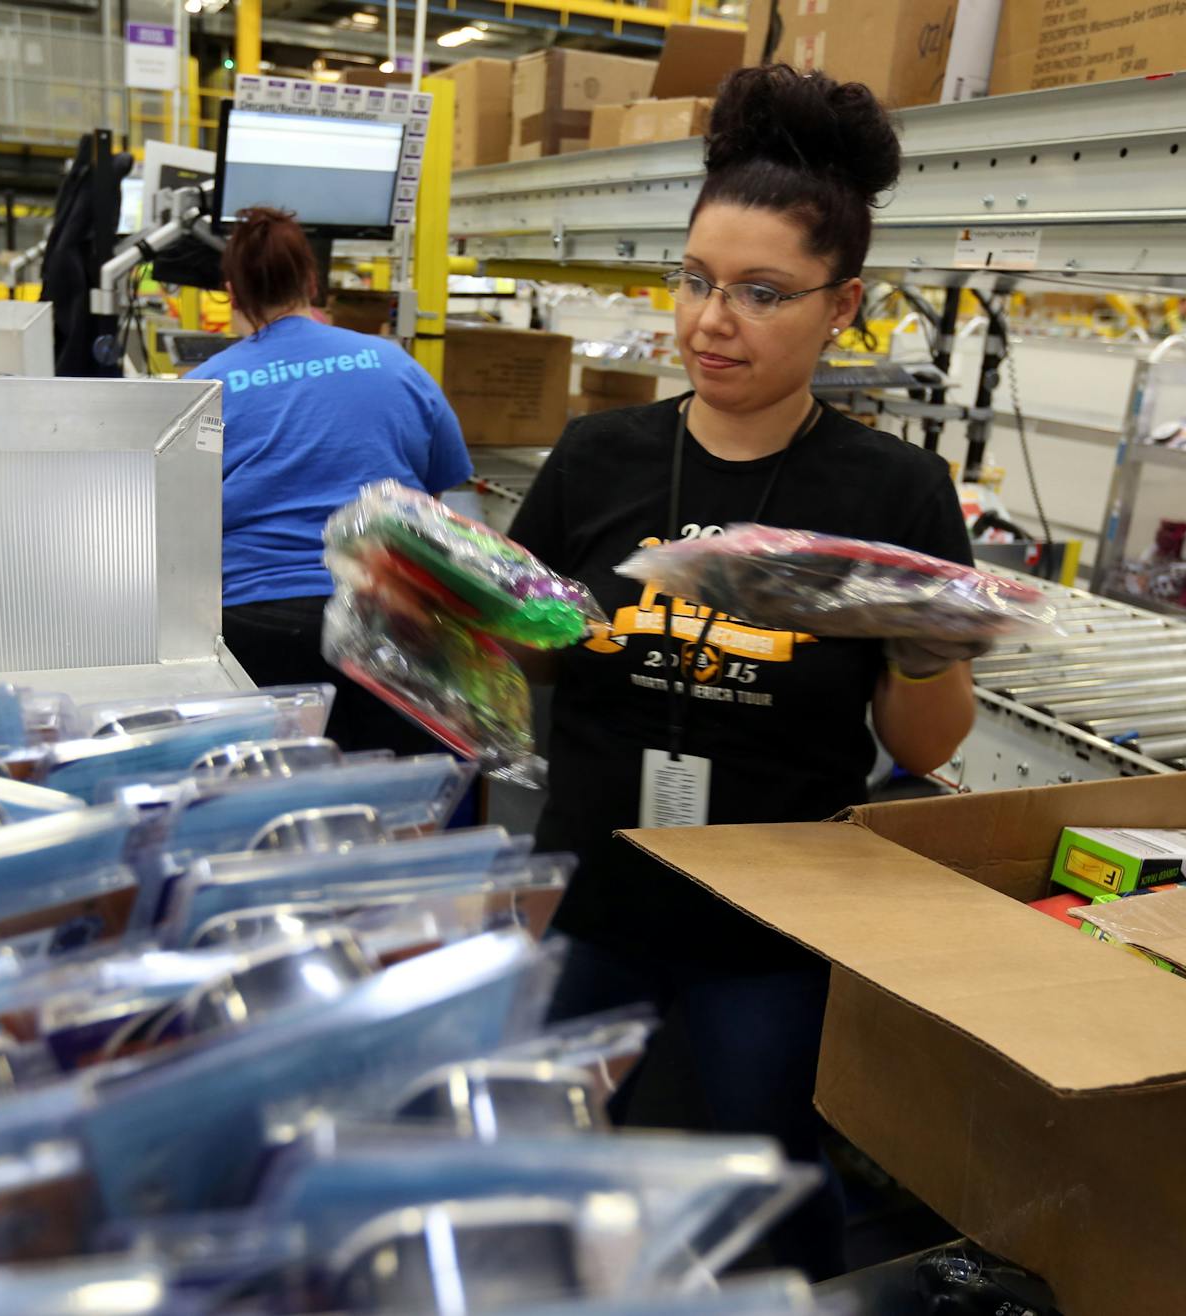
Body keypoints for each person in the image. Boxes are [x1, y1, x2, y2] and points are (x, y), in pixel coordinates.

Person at [506, 65, 978, 1277]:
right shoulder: (598, 454)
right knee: (549, 1163)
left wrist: (930, 634)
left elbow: (923, 748)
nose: (713, 320)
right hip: (598, 892)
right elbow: (522, 653)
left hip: (768, 922)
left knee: (761, 1181)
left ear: (844, 307)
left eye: (762, 293)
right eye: (697, 281)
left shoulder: (893, 496)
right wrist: (443, 599)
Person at [190, 207, 474, 753]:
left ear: (230, 292)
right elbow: (435, 496)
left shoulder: (203, 387)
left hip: (252, 632)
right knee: (394, 794)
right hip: (388, 621)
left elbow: (178, 522)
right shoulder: (396, 365)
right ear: (312, 281)